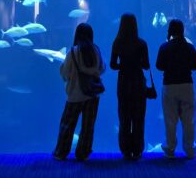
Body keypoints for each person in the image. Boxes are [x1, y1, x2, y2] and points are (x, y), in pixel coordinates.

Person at [53, 23, 105, 161]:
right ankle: (83, 153)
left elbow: (65, 74)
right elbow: (102, 69)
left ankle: (61, 152)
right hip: (92, 95)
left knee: (67, 124)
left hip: (74, 95)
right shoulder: (96, 50)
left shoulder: (72, 52)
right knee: (88, 126)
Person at [155, 19, 196, 159]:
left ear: (170, 31)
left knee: (170, 119)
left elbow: (159, 66)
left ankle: (170, 148)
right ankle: (189, 148)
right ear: (182, 30)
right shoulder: (190, 47)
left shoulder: (164, 47)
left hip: (169, 85)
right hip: (187, 85)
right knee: (189, 119)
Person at [110, 13, 150, 160]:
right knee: (139, 117)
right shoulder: (142, 43)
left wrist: (124, 65)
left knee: (124, 116)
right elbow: (146, 65)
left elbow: (113, 65)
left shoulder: (117, 43)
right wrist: (136, 63)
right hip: (138, 82)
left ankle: (126, 149)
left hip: (123, 82)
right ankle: (138, 149)